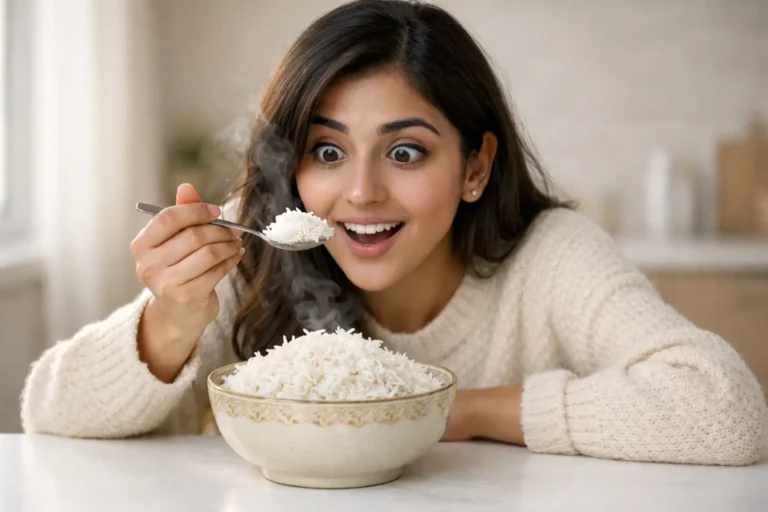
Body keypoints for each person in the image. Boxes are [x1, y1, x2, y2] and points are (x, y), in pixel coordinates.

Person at [21, 0, 766, 465]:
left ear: (476, 167)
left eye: (406, 151)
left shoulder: (550, 256)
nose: (361, 191)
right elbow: (48, 418)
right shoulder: (251, 258)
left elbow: (725, 411)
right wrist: (172, 320)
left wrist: (450, 411)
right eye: (327, 150)